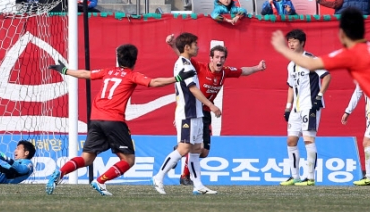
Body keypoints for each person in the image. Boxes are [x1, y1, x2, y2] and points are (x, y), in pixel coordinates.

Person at [45, 44, 196, 196]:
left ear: (118, 59)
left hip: (96, 118)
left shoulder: (108, 72)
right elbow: (154, 82)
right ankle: (100, 181)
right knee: (128, 159)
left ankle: (61, 172)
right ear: (135, 60)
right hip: (113, 120)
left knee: (87, 158)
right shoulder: (132, 75)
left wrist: (65, 70)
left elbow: (85, 73)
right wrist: (177, 78)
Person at [164, 34, 267, 185]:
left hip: (205, 113)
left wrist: (257, 68)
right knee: (195, 148)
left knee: (204, 152)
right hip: (193, 110)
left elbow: (243, 71)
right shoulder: (199, 67)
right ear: (211, 58)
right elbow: (182, 57)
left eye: (222, 57)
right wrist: (172, 45)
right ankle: (184, 176)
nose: (219, 60)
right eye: (217, 57)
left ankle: (179, 151)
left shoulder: (225, 72)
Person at [272, 8, 370, 120]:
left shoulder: (350, 54)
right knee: (369, 138)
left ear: (341, 34)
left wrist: (283, 49)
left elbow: (311, 64)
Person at [152, 33, 222, 195]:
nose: (198, 47)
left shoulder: (187, 62)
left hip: (196, 113)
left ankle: (198, 185)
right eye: (195, 44)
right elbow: (192, 89)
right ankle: (159, 176)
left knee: (196, 149)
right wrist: (211, 105)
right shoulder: (185, 65)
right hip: (187, 113)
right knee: (184, 148)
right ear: (187, 47)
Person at [278, 29, 331, 187]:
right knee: (291, 140)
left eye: (294, 41)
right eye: (289, 41)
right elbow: (290, 87)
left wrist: (319, 97)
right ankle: (295, 177)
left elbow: (327, 76)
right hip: (296, 108)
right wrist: (288, 107)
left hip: (310, 106)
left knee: (308, 140)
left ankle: (310, 178)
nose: (291, 44)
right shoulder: (290, 64)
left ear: (302, 43)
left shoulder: (311, 59)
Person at [341, 84, 370, 185]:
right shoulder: (364, 75)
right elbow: (357, 93)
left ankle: (369, 177)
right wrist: (348, 111)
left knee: (367, 142)